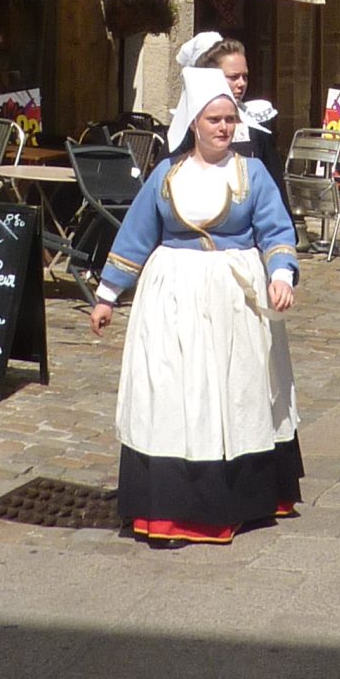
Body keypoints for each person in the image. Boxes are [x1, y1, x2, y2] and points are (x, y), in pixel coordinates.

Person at [90, 69, 302, 544]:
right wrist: (107, 295)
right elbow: (136, 235)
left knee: (232, 395)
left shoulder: (252, 174)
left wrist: (281, 275)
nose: (224, 128)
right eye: (214, 120)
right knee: (172, 394)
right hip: (172, 302)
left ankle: (237, 498)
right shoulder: (166, 176)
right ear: (194, 123)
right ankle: (169, 506)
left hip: (234, 304)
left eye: (230, 119)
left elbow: (276, 230)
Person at [166, 32, 287, 193]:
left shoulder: (256, 127)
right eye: (233, 77)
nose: (241, 83)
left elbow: (276, 187)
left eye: (245, 76)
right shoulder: (190, 126)